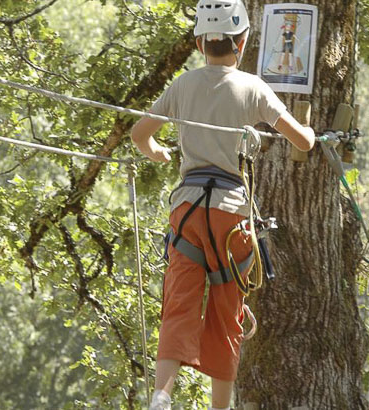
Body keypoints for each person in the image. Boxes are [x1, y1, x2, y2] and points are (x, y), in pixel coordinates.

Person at [131, 1, 315, 409]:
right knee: (226, 310)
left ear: (200, 42)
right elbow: (300, 140)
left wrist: (157, 151)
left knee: (179, 301)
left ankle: (163, 393)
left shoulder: (183, 85)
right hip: (232, 215)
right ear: (243, 41)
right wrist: (313, 135)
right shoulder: (253, 87)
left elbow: (139, 133)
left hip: (189, 212)